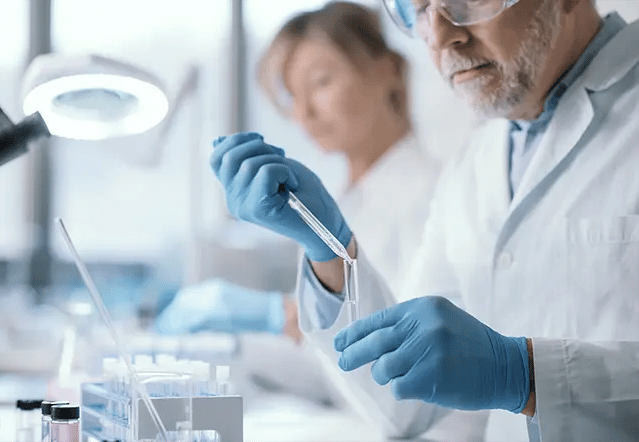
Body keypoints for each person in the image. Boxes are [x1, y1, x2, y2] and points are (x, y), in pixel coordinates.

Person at [210, 0, 639, 440]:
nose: (439, 35)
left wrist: (526, 376)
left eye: (465, 1)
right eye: (417, 10)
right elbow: (406, 403)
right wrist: (330, 249)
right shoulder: (474, 164)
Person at [156, 2, 441, 340]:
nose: (304, 112)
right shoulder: (349, 195)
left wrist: (279, 315)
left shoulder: (431, 196)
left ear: (388, 70)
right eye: (291, 95)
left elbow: (395, 342)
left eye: (321, 83)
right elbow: (327, 353)